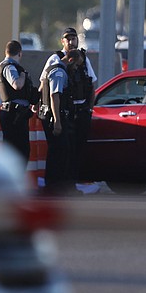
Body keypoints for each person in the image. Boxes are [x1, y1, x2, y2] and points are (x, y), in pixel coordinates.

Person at [40, 27, 98, 194]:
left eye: (74, 38)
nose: (72, 41)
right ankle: (54, 185)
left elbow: (91, 84)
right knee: (60, 150)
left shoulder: (83, 59)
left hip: (81, 111)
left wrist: (89, 109)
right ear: (62, 41)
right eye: (68, 39)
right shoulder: (55, 60)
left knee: (75, 151)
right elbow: (46, 85)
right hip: (63, 111)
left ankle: (69, 185)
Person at [39, 48, 84, 196]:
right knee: (59, 151)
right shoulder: (59, 72)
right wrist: (57, 121)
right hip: (54, 118)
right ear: (70, 60)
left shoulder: (58, 68)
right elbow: (54, 96)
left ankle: (55, 186)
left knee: (60, 150)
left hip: (54, 116)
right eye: (77, 65)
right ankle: (54, 186)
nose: (76, 68)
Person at [0, 40, 38, 163]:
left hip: (11, 112)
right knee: (20, 150)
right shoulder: (10, 67)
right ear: (20, 53)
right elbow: (17, 85)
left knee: (12, 149)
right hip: (15, 114)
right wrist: (23, 75)